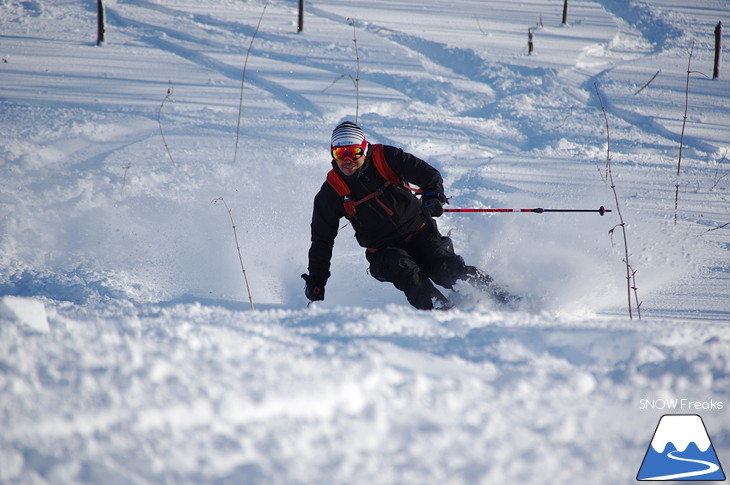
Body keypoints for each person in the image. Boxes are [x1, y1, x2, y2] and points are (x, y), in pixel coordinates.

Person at [302, 121, 512, 310]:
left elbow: (428, 174)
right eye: (340, 154)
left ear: (364, 149)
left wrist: (433, 197)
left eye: (354, 153)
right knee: (404, 268)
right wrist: (317, 281)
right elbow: (322, 240)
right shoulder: (331, 192)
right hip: (383, 251)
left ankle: (502, 296)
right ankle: (442, 311)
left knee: (444, 268)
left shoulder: (385, 158)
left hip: (420, 232)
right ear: (332, 155)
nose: (347, 160)